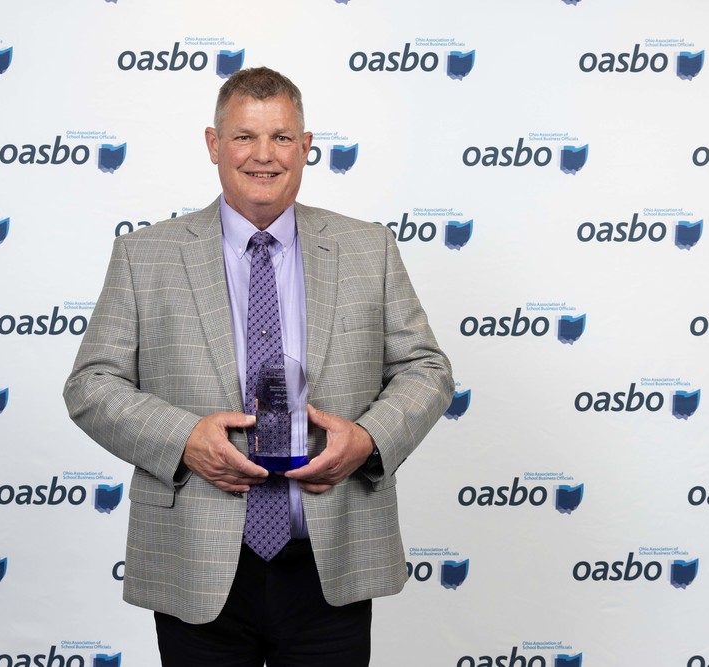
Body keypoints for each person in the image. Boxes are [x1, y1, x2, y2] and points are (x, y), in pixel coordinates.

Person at [63, 67, 452, 666]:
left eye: (282, 137)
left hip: (331, 561)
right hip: (197, 558)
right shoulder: (145, 255)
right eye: (244, 136)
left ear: (306, 146)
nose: (264, 155)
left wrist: (369, 438)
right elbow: (91, 385)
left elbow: (425, 368)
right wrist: (184, 439)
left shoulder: (367, 248)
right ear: (214, 144)